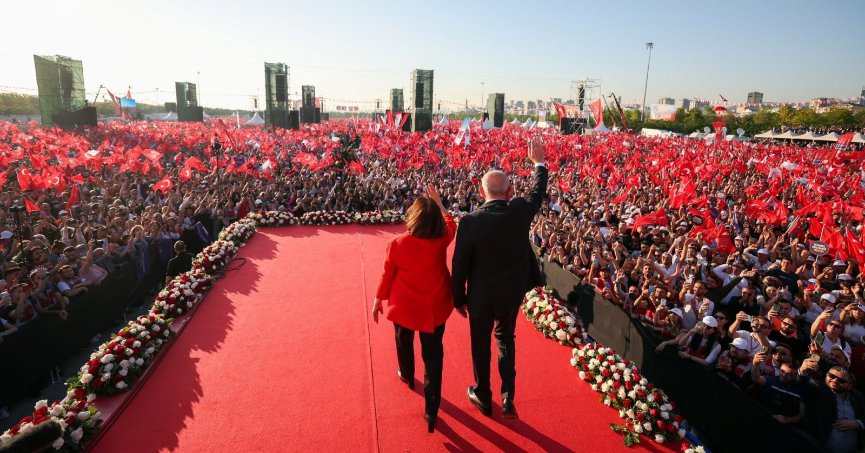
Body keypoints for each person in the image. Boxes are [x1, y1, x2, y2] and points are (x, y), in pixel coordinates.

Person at [452, 136, 548, 419]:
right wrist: (539, 163)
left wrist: (458, 299)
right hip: (511, 294)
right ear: (510, 191)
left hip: (480, 297)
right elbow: (537, 192)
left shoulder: (470, 222)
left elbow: (459, 266)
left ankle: (483, 395)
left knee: (481, 346)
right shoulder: (520, 211)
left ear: (482, 192)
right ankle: (508, 398)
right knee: (506, 339)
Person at [372, 185, 456, 432]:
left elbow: (387, 275)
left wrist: (378, 299)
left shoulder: (397, 244)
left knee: (403, 342)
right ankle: (432, 411)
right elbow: (451, 221)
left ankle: (407, 374)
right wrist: (438, 202)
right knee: (433, 358)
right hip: (434, 308)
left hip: (405, 307)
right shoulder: (443, 238)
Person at [808, 366, 865, 453]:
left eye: (841, 380)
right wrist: (803, 371)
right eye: (832, 376)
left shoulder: (858, 398)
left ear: (850, 386)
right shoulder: (819, 391)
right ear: (826, 375)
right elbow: (802, 383)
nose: (835, 380)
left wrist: (858, 423)